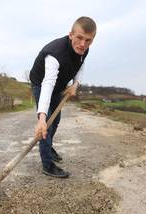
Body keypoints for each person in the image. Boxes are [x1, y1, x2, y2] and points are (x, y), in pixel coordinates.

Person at [29, 16, 96, 178]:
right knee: (48, 123)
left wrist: (75, 84)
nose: (83, 44)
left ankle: (48, 145)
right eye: (79, 38)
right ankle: (48, 164)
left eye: (88, 40)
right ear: (71, 34)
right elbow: (47, 84)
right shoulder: (55, 54)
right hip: (41, 83)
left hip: (59, 86)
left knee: (56, 119)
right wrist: (42, 118)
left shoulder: (84, 50)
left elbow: (80, 65)